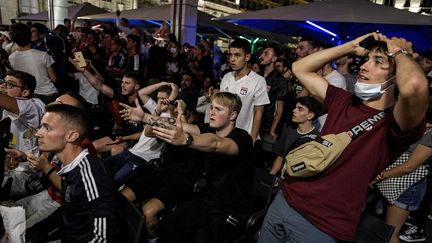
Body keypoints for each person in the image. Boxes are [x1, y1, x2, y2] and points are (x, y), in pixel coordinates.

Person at [259, 33, 428, 242]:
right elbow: (299, 68)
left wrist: (399, 51)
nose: (364, 66)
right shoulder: (344, 100)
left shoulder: (395, 123)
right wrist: (349, 46)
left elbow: (415, 86)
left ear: (395, 79)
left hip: (322, 226)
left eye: (379, 62)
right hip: (285, 202)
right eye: (366, 59)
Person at [123, 92, 253, 242]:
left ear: (233, 115)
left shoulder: (242, 138)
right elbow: (175, 124)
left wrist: (185, 139)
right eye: (211, 108)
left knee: (201, 239)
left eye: (218, 109)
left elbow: (217, 144)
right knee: (167, 224)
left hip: (233, 210)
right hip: (209, 200)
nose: (212, 112)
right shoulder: (208, 128)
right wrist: (144, 117)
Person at [36, 103, 115, 242]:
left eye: (46, 128)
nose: (38, 133)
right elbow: (70, 213)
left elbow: (102, 238)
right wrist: (34, 232)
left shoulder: (91, 176)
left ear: (71, 136)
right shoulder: (71, 166)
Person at [220, 39, 269, 144]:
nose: (232, 59)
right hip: (224, 135)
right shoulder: (226, 77)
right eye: (230, 55)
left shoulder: (258, 81)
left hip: (245, 136)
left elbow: (259, 112)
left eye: (237, 55)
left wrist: (253, 138)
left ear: (247, 57)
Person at [269, 96, 322, 175]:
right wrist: (271, 176)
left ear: (310, 115)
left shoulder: (316, 139)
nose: (294, 110)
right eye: (295, 107)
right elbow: (281, 156)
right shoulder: (290, 130)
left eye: (300, 109)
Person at [8, 23, 58, 104]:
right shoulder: (43, 55)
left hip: (28, 95)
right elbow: (54, 78)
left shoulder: (12, 57)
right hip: (47, 94)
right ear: (29, 36)